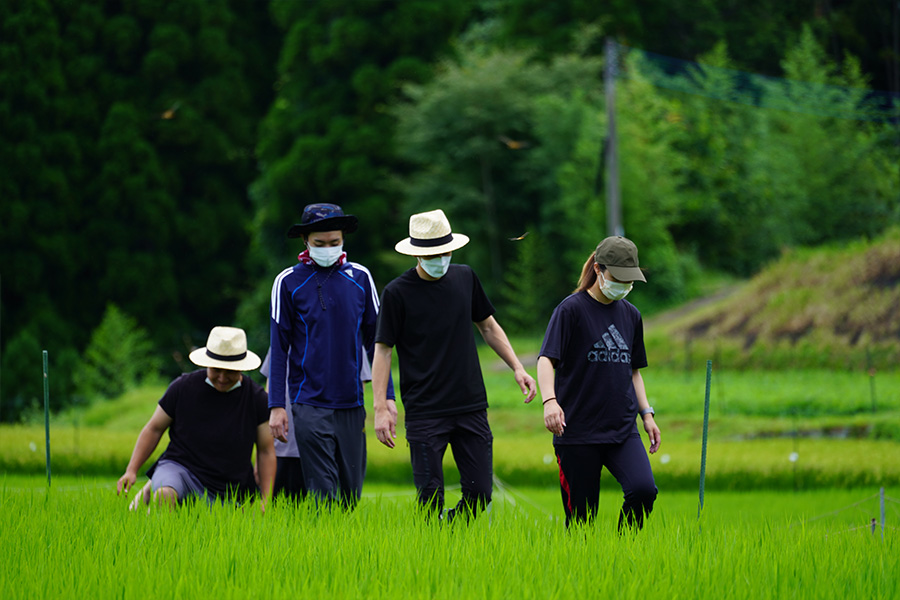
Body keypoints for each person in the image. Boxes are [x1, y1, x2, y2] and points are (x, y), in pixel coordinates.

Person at [372, 208, 536, 522]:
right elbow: (383, 351)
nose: (441, 258)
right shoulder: (397, 293)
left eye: (445, 251)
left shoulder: (465, 277)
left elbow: (488, 326)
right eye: (434, 253)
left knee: (480, 494)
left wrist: (517, 366)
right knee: (429, 496)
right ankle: (434, 550)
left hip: (470, 404)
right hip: (424, 410)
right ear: (418, 254)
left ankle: (451, 528)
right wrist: (381, 406)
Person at [268, 203, 393, 508]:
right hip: (307, 402)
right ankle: (321, 545)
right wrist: (276, 406)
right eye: (320, 244)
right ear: (305, 242)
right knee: (323, 491)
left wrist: (386, 397)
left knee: (350, 494)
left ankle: (341, 548)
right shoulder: (288, 282)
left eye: (334, 243)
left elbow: (378, 343)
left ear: (343, 240)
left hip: (352, 401)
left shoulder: (360, 278)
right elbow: (279, 349)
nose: (328, 249)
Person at [537, 236, 660, 530]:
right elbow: (545, 360)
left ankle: (622, 551)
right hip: (577, 432)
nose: (624, 286)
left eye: (629, 280)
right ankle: (585, 568)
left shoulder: (631, 315)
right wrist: (550, 401)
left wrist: (647, 414)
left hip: (621, 429)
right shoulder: (570, 310)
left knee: (643, 490)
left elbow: (634, 371)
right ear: (598, 269)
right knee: (582, 521)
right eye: (618, 278)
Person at [117, 326, 275, 510]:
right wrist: (131, 470)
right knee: (165, 494)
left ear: (241, 367)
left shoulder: (256, 399)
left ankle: (150, 487)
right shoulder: (183, 387)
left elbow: (266, 450)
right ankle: (160, 521)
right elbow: (154, 428)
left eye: (230, 371)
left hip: (227, 487)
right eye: (216, 370)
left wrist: (266, 499)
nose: (222, 377)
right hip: (180, 468)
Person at [260, 346, 374, 503]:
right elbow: (270, 390)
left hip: (325, 446)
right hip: (284, 445)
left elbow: (357, 396)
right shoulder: (285, 338)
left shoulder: (349, 336)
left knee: (326, 510)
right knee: (282, 513)